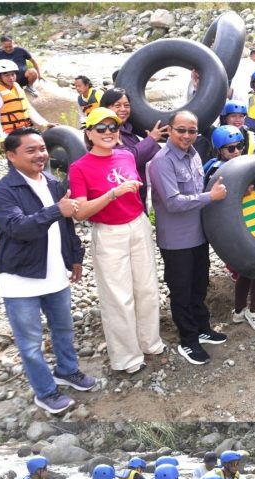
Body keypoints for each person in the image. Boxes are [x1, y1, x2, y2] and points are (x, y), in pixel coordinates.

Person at [0, 127, 94, 414]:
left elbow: (66, 224)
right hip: (20, 279)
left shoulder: (51, 182)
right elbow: (18, 228)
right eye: (31, 150)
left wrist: (75, 257)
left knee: (63, 329)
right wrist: (55, 210)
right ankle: (45, 391)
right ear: (11, 156)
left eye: (42, 149)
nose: (41, 155)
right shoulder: (3, 191)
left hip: (55, 273)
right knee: (31, 343)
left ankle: (68, 370)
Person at [68, 107, 165, 374]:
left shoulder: (125, 156)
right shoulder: (79, 168)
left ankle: (149, 341)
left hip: (137, 225)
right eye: (101, 128)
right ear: (89, 133)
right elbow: (80, 213)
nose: (109, 132)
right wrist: (113, 194)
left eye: (113, 127)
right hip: (109, 233)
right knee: (118, 298)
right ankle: (127, 357)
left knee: (146, 289)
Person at [148, 110, 229, 365]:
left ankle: (202, 328)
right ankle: (188, 340)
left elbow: (202, 188)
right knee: (181, 290)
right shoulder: (162, 161)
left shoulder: (194, 155)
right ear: (170, 130)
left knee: (199, 284)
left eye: (192, 131)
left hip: (197, 234)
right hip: (176, 240)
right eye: (181, 130)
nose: (186, 135)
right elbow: (172, 203)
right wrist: (209, 198)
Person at [205, 125, 255, 333]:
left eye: (240, 147)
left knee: (247, 271)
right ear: (219, 151)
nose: (236, 152)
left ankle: (239, 309)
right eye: (230, 149)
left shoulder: (246, 165)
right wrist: (238, 190)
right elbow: (214, 199)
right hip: (237, 232)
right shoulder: (217, 170)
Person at [99, 88, 170, 207]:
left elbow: (153, 155)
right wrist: (151, 139)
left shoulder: (127, 130)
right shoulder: (105, 132)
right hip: (120, 198)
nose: (123, 109)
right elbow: (129, 158)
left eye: (126, 105)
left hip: (137, 193)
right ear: (106, 108)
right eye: (117, 105)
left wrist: (151, 141)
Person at [0, 59, 50, 143]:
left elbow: (28, 108)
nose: (11, 78)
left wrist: (44, 124)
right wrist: (2, 138)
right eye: (6, 75)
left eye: (13, 74)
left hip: (24, 130)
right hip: (8, 134)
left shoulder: (17, 87)